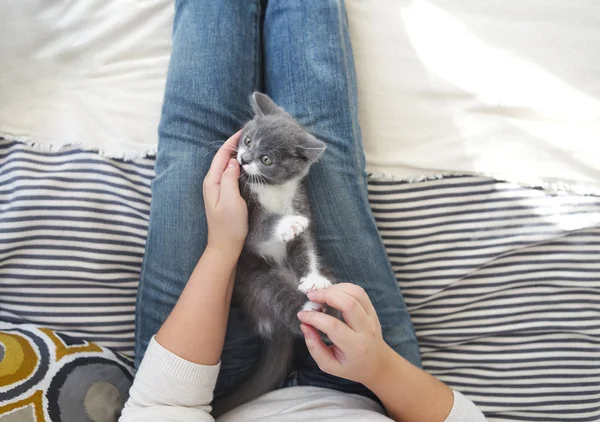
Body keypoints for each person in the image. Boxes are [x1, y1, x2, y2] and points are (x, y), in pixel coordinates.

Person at [122, 1, 486, 421]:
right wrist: (378, 365)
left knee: (199, 139)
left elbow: (161, 407)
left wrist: (222, 247)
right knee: (323, 140)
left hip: (206, 381)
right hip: (365, 379)